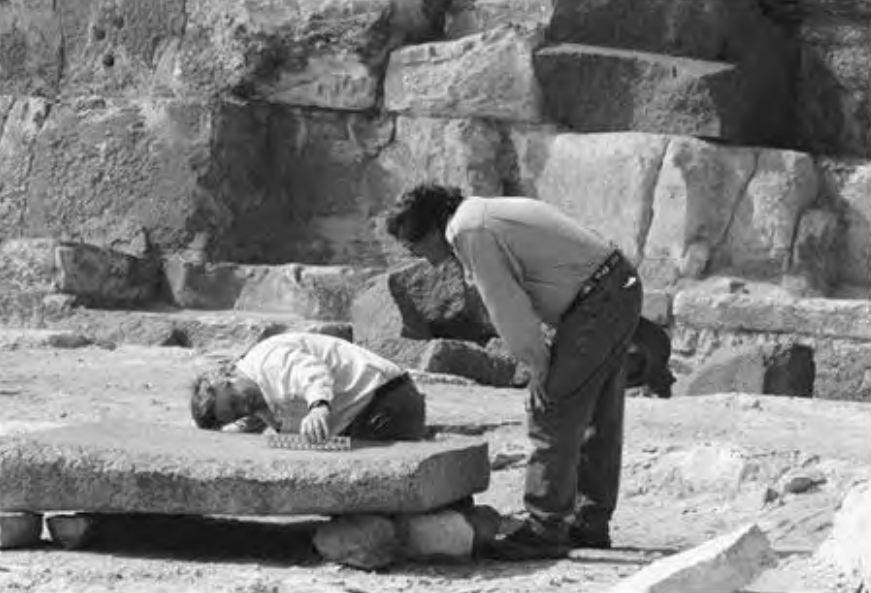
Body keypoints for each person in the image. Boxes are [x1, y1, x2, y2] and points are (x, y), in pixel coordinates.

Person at [385, 183, 643, 560]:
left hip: (597, 299)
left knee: (551, 408)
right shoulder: (480, 215)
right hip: (615, 285)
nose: (418, 257)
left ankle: (544, 527)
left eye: (414, 245)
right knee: (597, 416)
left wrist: (538, 365)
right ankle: (588, 523)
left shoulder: (469, 230)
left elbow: (507, 307)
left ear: (434, 225)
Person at [190, 332, 426, 443]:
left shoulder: (269, 361)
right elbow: (266, 418)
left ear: (227, 377)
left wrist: (318, 408)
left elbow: (312, 373)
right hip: (368, 410)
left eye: (234, 401)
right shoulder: (255, 394)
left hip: (386, 402)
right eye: (236, 413)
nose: (244, 407)